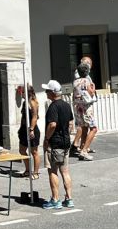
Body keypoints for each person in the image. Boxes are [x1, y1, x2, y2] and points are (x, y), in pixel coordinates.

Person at [41, 79, 74, 209]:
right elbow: (71, 123)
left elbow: (52, 124)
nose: (45, 93)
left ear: (52, 92)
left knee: (52, 171)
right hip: (66, 142)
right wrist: (66, 133)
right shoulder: (66, 105)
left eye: (47, 91)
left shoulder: (53, 107)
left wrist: (47, 138)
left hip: (55, 143)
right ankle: (69, 198)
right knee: (65, 171)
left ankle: (55, 199)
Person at [71, 62, 98, 160]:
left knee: (84, 128)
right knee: (94, 128)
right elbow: (91, 93)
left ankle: (82, 147)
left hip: (78, 108)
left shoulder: (75, 82)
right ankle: (84, 150)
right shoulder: (87, 81)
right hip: (86, 108)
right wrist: (93, 87)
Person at [18, 85, 43, 180]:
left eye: (23, 92)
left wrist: (31, 129)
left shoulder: (32, 103)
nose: (21, 94)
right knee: (22, 150)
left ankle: (36, 172)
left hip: (32, 129)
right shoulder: (25, 102)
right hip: (24, 129)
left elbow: (35, 117)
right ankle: (27, 170)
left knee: (34, 152)